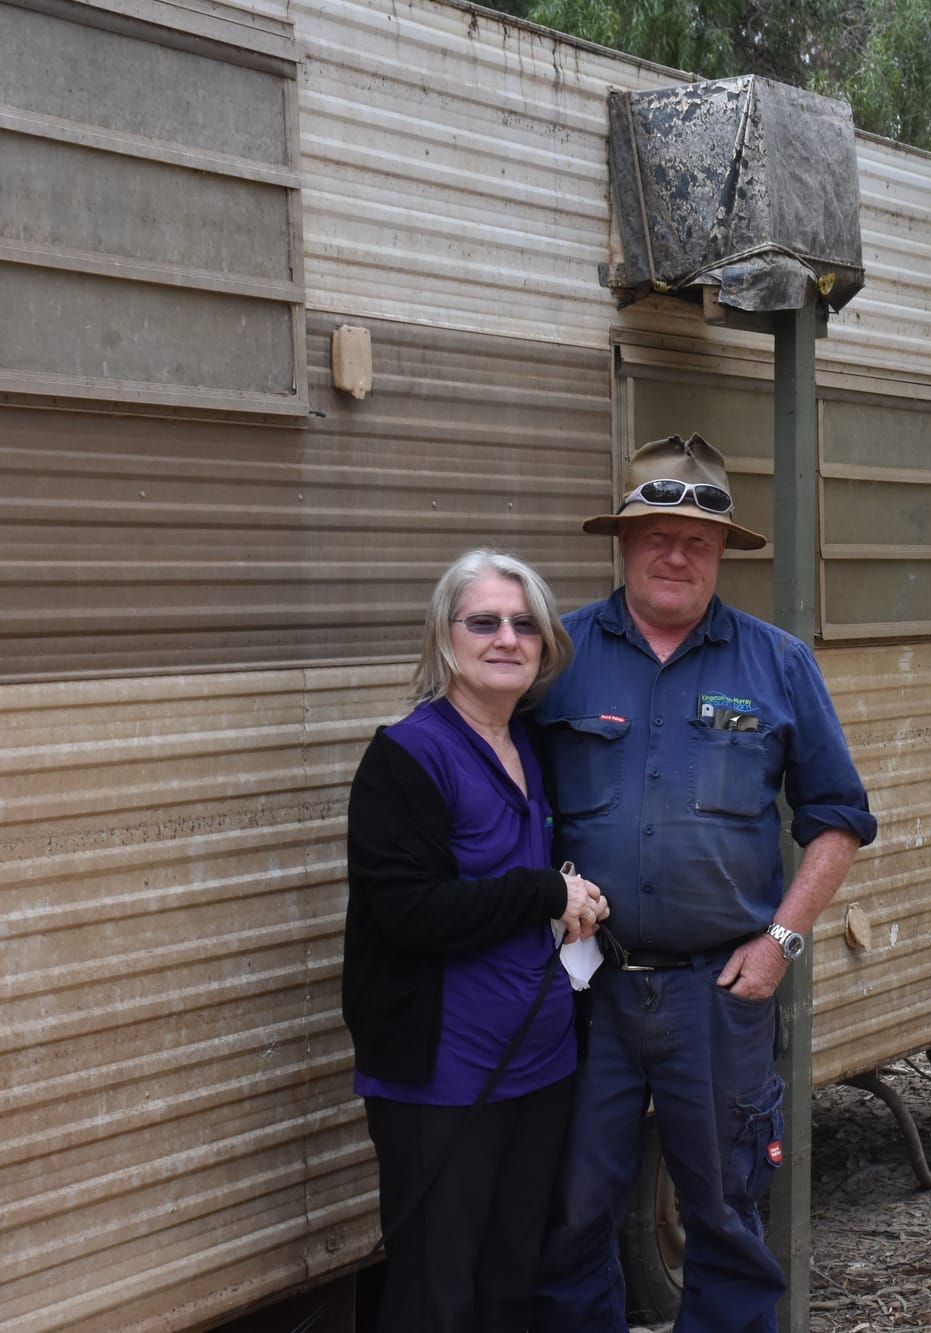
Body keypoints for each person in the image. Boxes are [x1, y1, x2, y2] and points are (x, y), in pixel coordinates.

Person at [530, 434, 878, 1333]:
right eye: (655, 533)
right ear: (622, 541)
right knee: (572, 1215)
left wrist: (781, 944)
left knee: (723, 1215)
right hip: (586, 990)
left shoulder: (777, 663)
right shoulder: (556, 655)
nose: (675, 553)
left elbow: (838, 817)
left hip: (719, 992)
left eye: (697, 538)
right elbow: (500, 790)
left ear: (724, 552)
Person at [342, 548, 612, 1333]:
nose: (506, 638)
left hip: (539, 1065)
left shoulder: (524, 741)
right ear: (445, 634)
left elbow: (515, 880)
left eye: (525, 623)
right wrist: (543, 892)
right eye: (484, 621)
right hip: (444, 1078)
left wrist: (570, 899)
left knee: (509, 1280)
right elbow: (407, 910)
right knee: (436, 1293)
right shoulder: (407, 754)